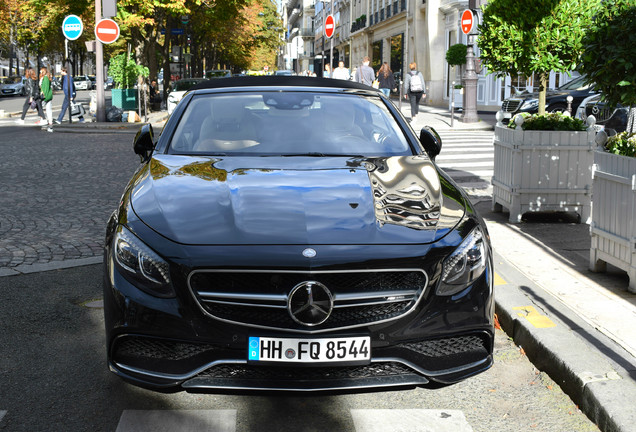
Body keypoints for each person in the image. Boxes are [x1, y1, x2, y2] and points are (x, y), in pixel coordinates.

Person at [39, 67, 54, 132]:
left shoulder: (44, 78)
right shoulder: (48, 78)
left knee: (40, 109)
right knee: (49, 110)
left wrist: (42, 95)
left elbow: (44, 88)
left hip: (45, 97)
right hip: (49, 96)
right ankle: (50, 122)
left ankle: (43, 121)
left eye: (40, 71)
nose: (40, 73)